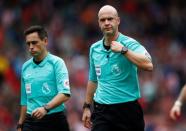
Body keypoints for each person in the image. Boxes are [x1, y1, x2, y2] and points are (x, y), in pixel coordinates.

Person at [82, 5, 153, 131]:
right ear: (98, 23)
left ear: (118, 21)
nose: (107, 23)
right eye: (103, 20)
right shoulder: (94, 49)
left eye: (110, 19)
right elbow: (93, 80)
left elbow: (148, 65)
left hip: (127, 110)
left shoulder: (129, 44)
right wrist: (87, 107)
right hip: (102, 110)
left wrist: (124, 51)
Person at [17, 25, 71, 131]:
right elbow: (25, 101)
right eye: (28, 44)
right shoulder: (25, 67)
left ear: (45, 41)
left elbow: (65, 94)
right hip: (31, 122)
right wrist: (20, 124)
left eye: (34, 42)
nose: (31, 47)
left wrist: (45, 108)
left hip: (55, 120)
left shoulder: (57, 63)